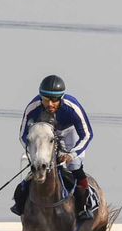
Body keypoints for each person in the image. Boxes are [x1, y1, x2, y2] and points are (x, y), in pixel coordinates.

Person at [13, 75, 98, 221]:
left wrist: (72, 154)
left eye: (54, 100)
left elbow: (87, 134)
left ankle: (85, 205)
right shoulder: (33, 107)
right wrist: (35, 155)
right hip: (45, 134)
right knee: (38, 166)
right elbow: (23, 136)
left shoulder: (72, 107)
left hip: (69, 134)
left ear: (61, 98)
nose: (50, 104)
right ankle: (20, 203)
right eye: (46, 100)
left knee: (74, 166)